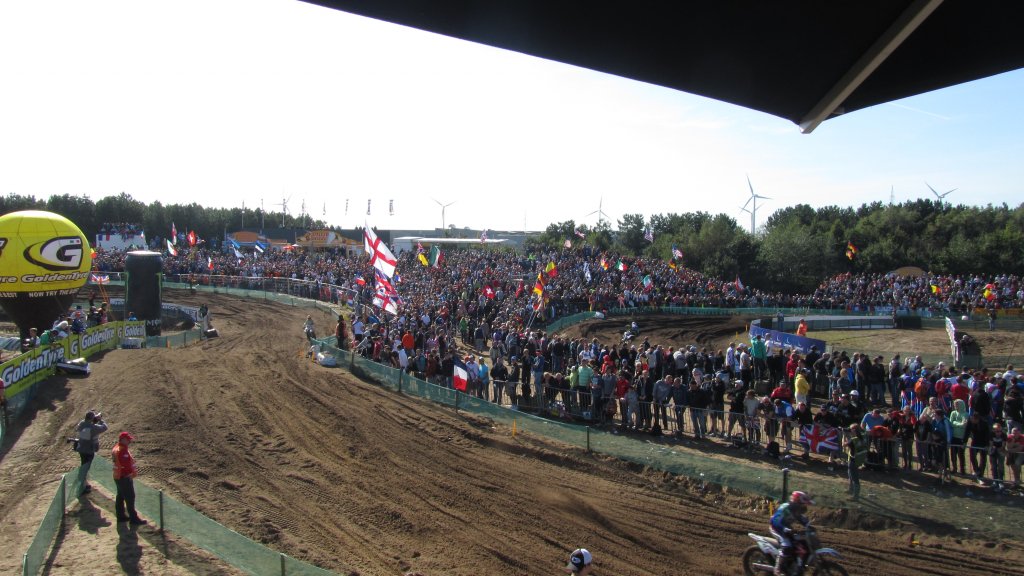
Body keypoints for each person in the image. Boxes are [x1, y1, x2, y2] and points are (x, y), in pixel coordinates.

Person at [769, 491, 813, 576]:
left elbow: (801, 519)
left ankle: (795, 565)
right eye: (803, 504)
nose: (804, 507)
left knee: (803, 543)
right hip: (777, 528)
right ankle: (778, 568)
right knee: (787, 546)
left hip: (787, 529)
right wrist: (785, 529)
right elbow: (775, 521)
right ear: (797, 502)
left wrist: (809, 526)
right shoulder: (785, 508)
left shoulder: (796, 509)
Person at [112, 431, 147, 525]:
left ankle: (121, 516)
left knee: (120, 496)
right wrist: (131, 473)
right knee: (130, 497)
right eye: (128, 439)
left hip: (117, 476)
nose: (129, 441)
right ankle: (134, 519)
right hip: (124, 477)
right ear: (123, 439)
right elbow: (126, 465)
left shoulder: (116, 448)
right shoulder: (122, 451)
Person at [75, 410, 108, 495]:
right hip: (89, 451)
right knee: (85, 469)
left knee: (84, 466)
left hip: (81, 449)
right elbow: (105, 427)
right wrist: (100, 420)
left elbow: (81, 426)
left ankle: (84, 484)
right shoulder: (93, 427)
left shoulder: (82, 423)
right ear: (92, 419)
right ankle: (82, 487)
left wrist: (94, 420)